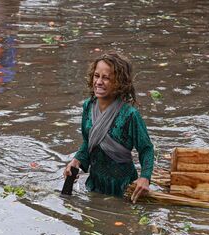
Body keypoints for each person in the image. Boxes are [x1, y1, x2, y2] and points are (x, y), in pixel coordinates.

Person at [64, 52, 154, 203]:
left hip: (123, 189)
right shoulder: (88, 106)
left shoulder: (129, 115)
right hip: (94, 186)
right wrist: (77, 160)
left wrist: (145, 177)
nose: (99, 82)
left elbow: (146, 149)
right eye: (96, 76)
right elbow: (89, 142)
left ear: (119, 83)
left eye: (106, 78)